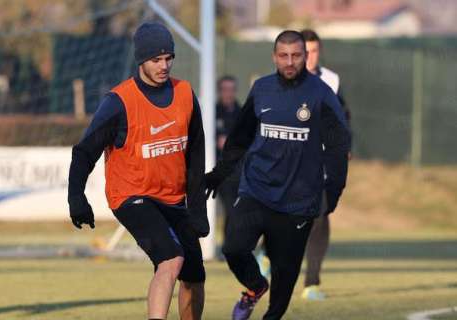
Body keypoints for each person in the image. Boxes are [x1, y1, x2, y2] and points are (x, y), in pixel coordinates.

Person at [205, 30, 351, 320]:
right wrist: (219, 173)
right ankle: (256, 286)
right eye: (283, 55)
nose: (290, 61)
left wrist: (331, 194)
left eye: (296, 55)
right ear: (274, 57)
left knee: (284, 284)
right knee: (233, 248)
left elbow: (338, 146)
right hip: (257, 191)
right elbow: (240, 137)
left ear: (305, 57)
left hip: (299, 202)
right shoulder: (261, 89)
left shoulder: (321, 94)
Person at [68, 22, 209, 320]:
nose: (164, 65)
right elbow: (84, 152)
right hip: (131, 196)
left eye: (168, 58)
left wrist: (197, 209)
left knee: (194, 276)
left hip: (173, 198)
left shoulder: (185, 93)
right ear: (141, 60)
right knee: (171, 259)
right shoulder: (118, 102)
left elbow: (196, 153)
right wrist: (76, 198)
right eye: (156, 60)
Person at [300, 28, 352, 301]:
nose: (309, 57)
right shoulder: (283, 81)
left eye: (314, 51)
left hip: (320, 160)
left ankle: (311, 283)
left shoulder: (331, 80)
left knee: (319, 217)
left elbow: (343, 117)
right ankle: (266, 251)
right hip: (289, 161)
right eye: (304, 51)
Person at [215, 75, 242, 238]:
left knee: (241, 210)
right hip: (220, 171)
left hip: (240, 170)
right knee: (231, 208)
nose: (228, 93)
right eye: (225, 89)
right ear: (219, 91)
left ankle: (236, 245)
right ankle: (228, 246)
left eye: (231, 89)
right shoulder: (211, 113)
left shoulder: (242, 113)